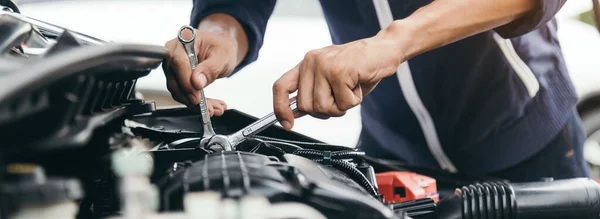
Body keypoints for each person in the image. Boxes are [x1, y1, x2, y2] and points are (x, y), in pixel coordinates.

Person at [162, 0, 590, 182]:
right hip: (387, 157)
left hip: (528, 145)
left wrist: (393, 42)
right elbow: (237, 5)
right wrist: (221, 31)